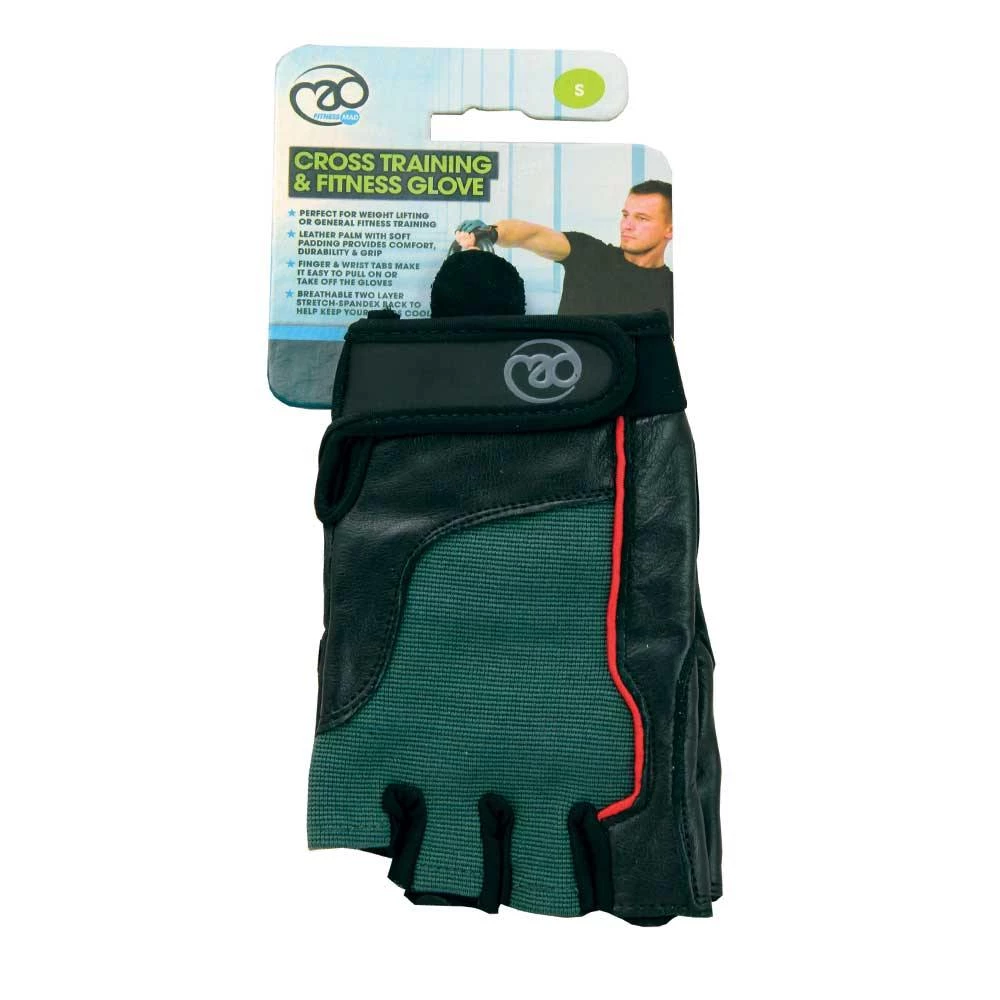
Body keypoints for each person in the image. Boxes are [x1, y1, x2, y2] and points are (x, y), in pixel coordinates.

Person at [454, 180, 674, 332]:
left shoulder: (674, 293)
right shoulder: (589, 255)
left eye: (642, 219)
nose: (627, 225)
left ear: (670, 229)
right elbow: (530, 234)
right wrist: (491, 232)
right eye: (625, 215)